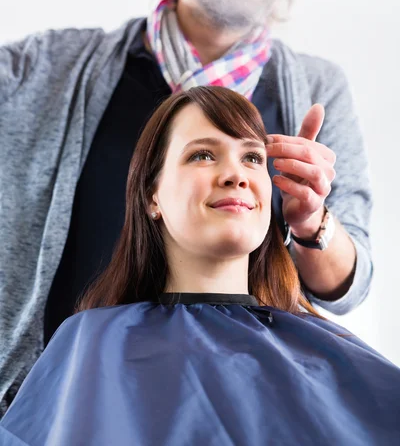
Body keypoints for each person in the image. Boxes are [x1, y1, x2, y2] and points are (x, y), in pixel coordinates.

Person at [0, 0, 372, 415]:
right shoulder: (50, 69)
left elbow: (350, 280)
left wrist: (312, 222)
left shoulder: (317, 92)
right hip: (51, 413)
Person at [0, 86, 396, 446]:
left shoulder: (325, 354)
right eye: (202, 155)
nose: (235, 175)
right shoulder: (87, 347)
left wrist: (312, 221)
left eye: (252, 157)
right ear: (152, 196)